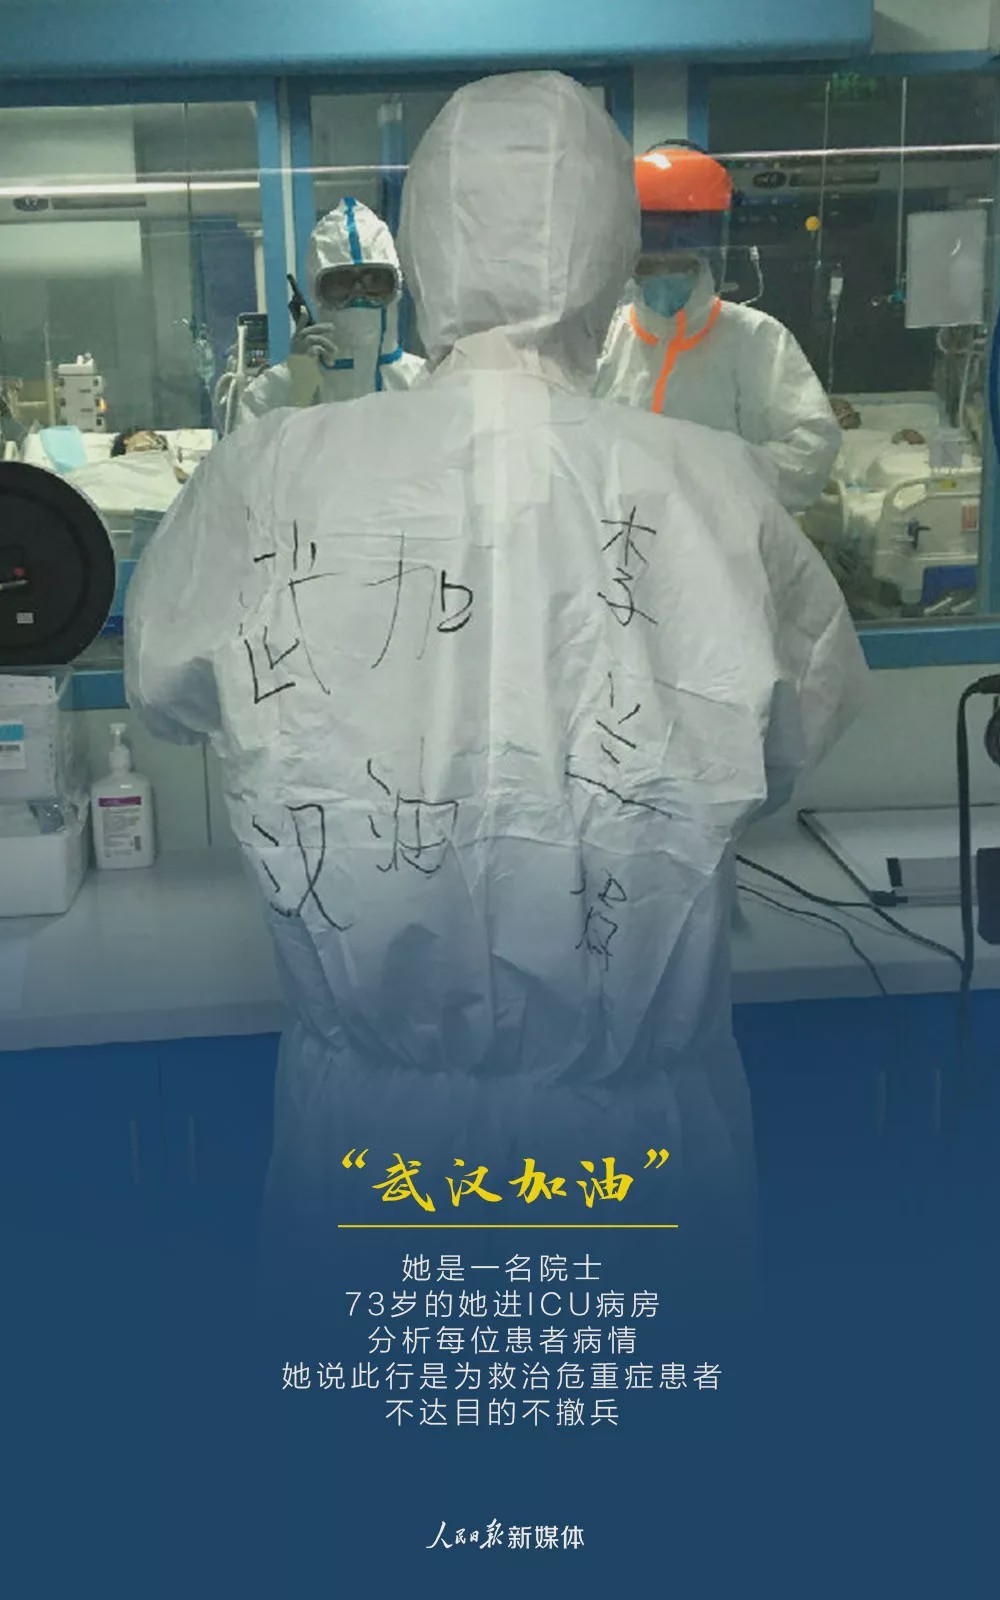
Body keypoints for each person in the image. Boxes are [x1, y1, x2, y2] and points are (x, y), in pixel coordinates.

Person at [125, 72, 865, 1293]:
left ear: (422, 251)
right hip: (638, 1141)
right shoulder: (713, 486)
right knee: (630, 1408)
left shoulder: (274, 470)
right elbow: (794, 731)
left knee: (393, 1406)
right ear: (609, 252)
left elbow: (165, 685)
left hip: (369, 1137)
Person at [596, 145, 841, 513]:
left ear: (711, 254)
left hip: (726, 536)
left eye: (681, 263)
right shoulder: (605, 339)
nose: (665, 273)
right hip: (624, 536)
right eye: (650, 265)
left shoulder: (755, 339)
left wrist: (714, 477)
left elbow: (811, 449)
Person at [234, 196, 424, 423]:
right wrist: (298, 391)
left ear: (396, 288)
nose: (358, 297)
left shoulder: (425, 385)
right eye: (341, 283)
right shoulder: (271, 394)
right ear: (317, 292)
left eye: (374, 280)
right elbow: (252, 444)